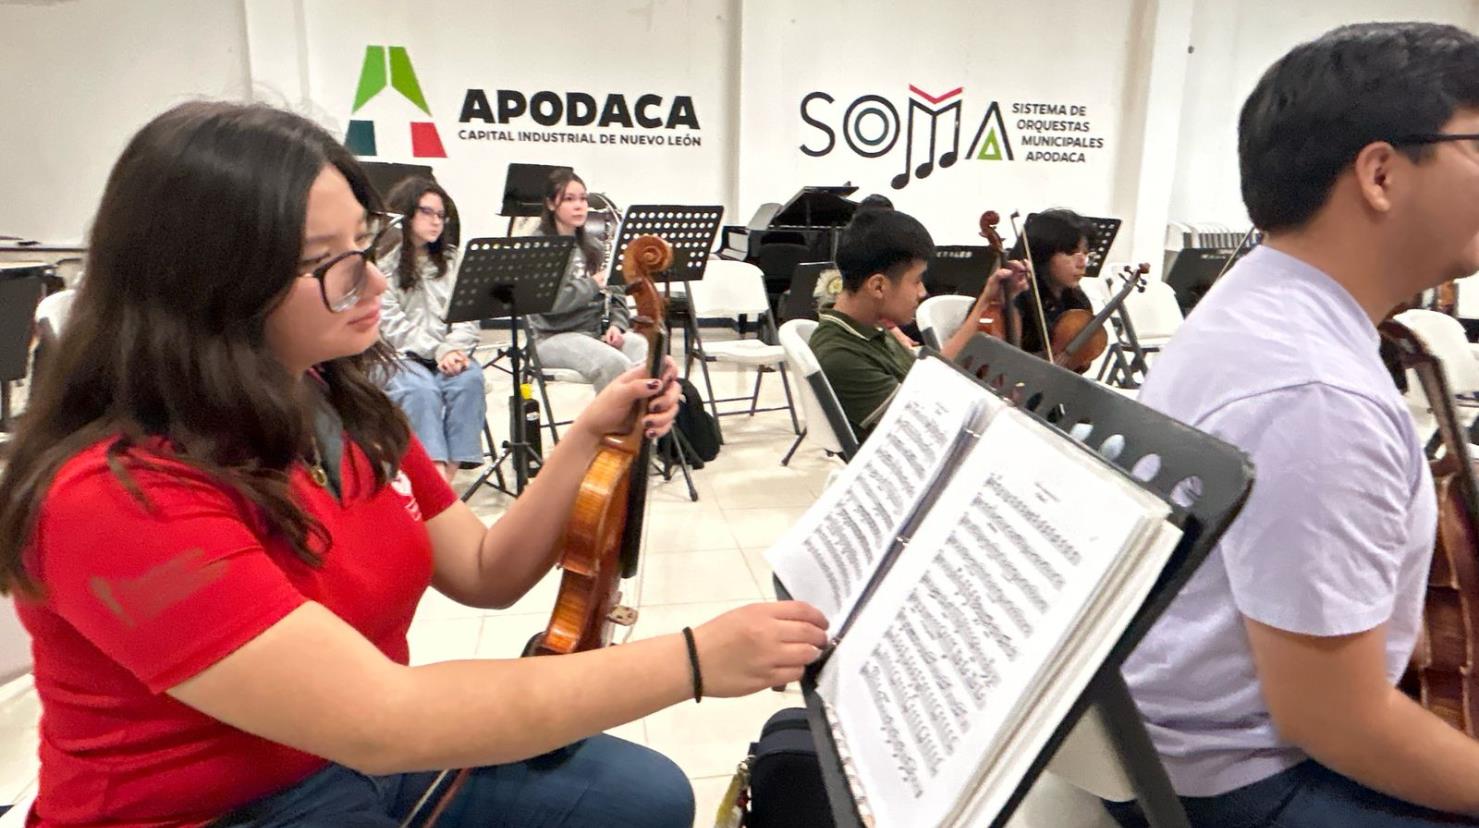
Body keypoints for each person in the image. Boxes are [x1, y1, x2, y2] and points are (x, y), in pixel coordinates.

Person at [0, 101, 830, 826]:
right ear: (208, 290)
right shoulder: (115, 494)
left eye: (370, 240)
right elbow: (383, 717)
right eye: (329, 263)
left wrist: (586, 440)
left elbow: (483, 569)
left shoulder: (339, 403)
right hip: (209, 811)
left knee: (644, 797)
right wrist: (692, 661)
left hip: (342, 765)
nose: (372, 280)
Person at [1111, 22, 1479, 827]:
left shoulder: (1256, 302)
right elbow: (1335, 723)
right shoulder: (1315, 390)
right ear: (1379, 173)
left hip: (1181, 747)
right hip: (1248, 784)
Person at [811, 208, 1027, 443]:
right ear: (878, 287)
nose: (922, 292)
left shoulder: (870, 328)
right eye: (916, 280)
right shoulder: (841, 356)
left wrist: (987, 300)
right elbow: (920, 428)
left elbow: (935, 375)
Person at [378, 177, 484, 482]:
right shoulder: (384, 262)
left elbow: (468, 316)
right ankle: (431, 477)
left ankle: (445, 480)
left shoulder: (452, 261)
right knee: (420, 390)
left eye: (441, 215)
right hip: (399, 355)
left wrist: (456, 349)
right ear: (406, 213)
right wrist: (440, 350)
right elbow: (392, 325)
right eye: (427, 212)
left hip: (448, 353)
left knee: (469, 380)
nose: (436, 221)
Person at [527, 168, 646, 391]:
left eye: (583, 198)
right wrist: (592, 284)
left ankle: (638, 423)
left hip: (594, 332)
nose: (580, 205)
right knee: (613, 363)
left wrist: (617, 325)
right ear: (551, 204)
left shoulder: (593, 245)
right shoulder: (539, 247)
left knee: (641, 347)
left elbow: (616, 293)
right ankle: (610, 424)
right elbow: (550, 305)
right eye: (569, 199)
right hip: (553, 337)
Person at [1011, 208, 1094, 360]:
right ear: (1044, 252)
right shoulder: (1016, 298)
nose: (1082, 262)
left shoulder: (1077, 301)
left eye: (1086, 253)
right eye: (1070, 252)